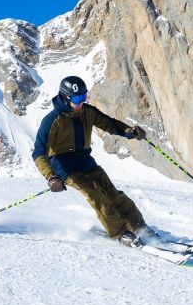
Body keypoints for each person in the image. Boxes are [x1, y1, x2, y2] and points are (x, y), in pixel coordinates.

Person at [32, 75, 151, 245]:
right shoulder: (52, 121)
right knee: (96, 195)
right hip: (64, 166)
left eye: (84, 96)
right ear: (66, 99)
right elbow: (38, 153)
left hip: (85, 161)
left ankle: (139, 227)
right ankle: (120, 233)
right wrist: (51, 177)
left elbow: (109, 124)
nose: (81, 102)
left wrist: (129, 131)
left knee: (113, 194)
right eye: (77, 98)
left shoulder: (87, 112)